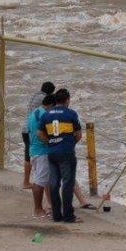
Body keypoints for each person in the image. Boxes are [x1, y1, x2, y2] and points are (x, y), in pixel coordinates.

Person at [38, 88, 82, 223]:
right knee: (67, 184)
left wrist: (50, 142)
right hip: (66, 152)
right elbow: (79, 134)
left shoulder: (46, 115)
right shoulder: (71, 114)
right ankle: (68, 216)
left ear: (56, 100)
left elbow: (39, 134)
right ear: (67, 100)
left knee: (53, 184)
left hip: (52, 153)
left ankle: (56, 215)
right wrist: (70, 143)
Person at [22, 81, 56, 189]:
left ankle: (29, 180)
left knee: (29, 156)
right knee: (30, 157)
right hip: (31, 129)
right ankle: (27, 182)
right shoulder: (44, 99)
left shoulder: (35, 95)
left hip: (26, 127)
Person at [27, 94, 55, 218]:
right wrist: (51, 142)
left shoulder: (35, 112)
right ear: (52, 105)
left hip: (34, 149)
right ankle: (38, 209)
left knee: (43, 179)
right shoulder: (44, 115)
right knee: (39, 181)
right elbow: (42, 134)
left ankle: (48, 206)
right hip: (41, 151)